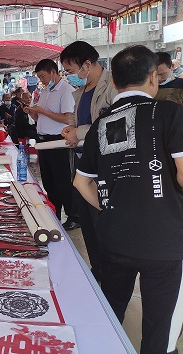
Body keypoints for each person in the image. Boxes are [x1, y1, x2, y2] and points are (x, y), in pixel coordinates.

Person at [73, 45, 183, 354]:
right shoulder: (169, 113)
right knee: (159, 327)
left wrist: (110, 208)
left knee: (110, 312)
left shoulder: (102, 123)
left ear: (114, 82)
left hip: (114, 237)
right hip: (163, 239)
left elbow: (81, 182)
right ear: (153, 77)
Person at [60, 40, 117, 254]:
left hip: (105, 165)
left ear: (86, 64)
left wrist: (80, 132)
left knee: (103, 220)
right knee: (88, 223)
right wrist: (71, 129)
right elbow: (80, 121)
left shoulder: (113, 85)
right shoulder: (81, 91)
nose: (69, 76)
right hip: (83, 163)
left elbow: (116, 124)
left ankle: (107, 268)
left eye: (70, 71)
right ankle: (96, 267)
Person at [24, 59, 75, 222]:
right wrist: (33, 113)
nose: (41, 80)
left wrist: (43, 111)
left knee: (63, 181)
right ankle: (55, 214)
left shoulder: (66, 90)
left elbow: (68, 118)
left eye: (43, 76)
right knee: (49, 181)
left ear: (53, 72)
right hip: (44, 140)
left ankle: (73, 216)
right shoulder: (45, 91)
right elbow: (41, 119)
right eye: (39, 77)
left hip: (58, 140)